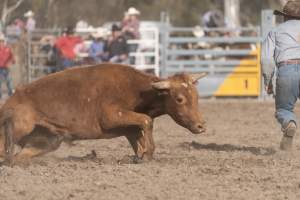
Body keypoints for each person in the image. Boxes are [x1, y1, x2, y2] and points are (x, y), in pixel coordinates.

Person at [262, 0, 300, 150]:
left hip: (287, 69)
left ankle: (289, 122)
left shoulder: (275, 31)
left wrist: (268, 82)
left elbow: (266, 60)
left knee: (283, 109)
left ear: (284, 16)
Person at [0, 33, 14, 98]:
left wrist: (10, 63)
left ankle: (11, 95)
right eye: (0, 41)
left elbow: (12, 58)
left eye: (2, 41)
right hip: (0, 68)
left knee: (9, 82)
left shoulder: (8, 49)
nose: (1, 43)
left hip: (6, 68)